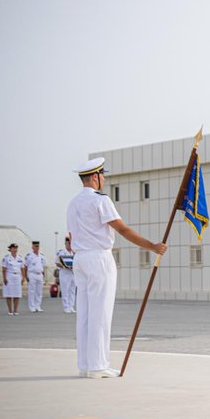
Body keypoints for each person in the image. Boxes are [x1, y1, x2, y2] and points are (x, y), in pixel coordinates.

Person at [66, 157, 166, 379]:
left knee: (84, 313)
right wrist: (152, 246)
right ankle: (98, 366)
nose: (103, 179)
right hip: (99, 258)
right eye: (102, 175)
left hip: (80, 258)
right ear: (95, 177)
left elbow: (71, 235)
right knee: (100, 313)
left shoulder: (73, 203)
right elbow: (123, 230)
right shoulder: (101, 201)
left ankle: (85, 365)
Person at [23, 240, 48, 313]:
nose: (37, 248)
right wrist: (25, 276)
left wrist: (43, 275)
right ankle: (32, 307)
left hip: (40, 274)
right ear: (32, 247)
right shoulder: (29, 256)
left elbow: (43, 267)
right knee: (32, 291)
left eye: (38, 246)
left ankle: (38, 306)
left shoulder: (42, 256)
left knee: (39, 291)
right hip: (32, 274)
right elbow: (25, 266)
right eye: (35, 246)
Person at [1, 243, 24, 315]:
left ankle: (16, 310)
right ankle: (10, 310)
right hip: (9, 276)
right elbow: (4, 269)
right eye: (13, 248)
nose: (15, 249)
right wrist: (4, 278)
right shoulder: (6, 258)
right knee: (9, 294)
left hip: (17, 276)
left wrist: (23, 277)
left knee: (17, 294)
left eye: (16, 248)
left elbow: (22, 268)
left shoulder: (20, 258)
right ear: (10, 249)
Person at [56, 234, 77, 313]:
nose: (70, 245)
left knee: (72, 290)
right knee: (65, 290)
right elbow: (57, 263)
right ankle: (66, 307)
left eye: (71, 243)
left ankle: (71, 306)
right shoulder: (61, 252)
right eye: (68, 243)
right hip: (65, 273)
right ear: (65, 244)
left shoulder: (75, 252)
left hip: (73, 273)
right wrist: (66, 266)